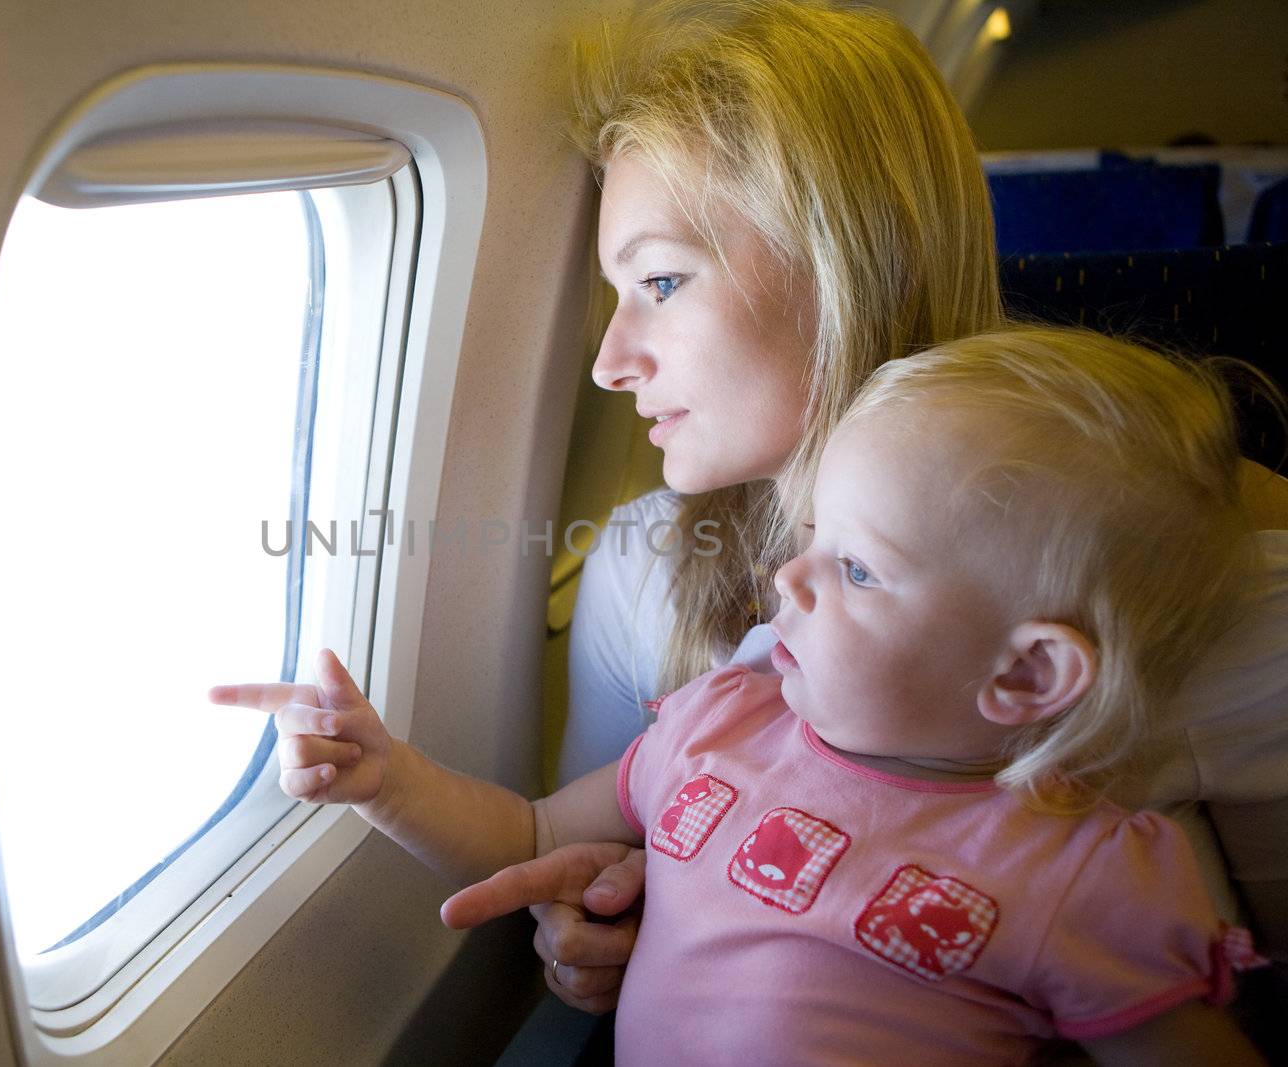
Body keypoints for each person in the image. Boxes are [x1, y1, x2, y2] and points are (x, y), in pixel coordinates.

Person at [212, 327, 1271, 1066]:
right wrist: (389, 777)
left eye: (856, 570)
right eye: (809, 539)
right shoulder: (721, 721)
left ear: (1026, 673)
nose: (788, 581)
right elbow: (527, 834)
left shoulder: (1081, 871)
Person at [529, 0, 1288, 1019]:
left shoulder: (1189, 567)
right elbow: (584, 859)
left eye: (661, 280)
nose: (611, 363)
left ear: (851, 259)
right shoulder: (638, 568)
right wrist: (596, 925)